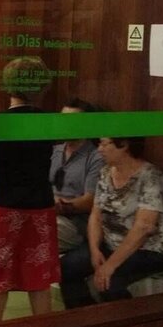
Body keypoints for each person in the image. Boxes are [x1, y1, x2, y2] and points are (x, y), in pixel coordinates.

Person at [60, 137, 163, 308]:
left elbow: (144, 227)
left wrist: (110, 265)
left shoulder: (151, 176)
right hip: (110, 244)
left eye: (104, 144)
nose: (100, 149)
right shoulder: (105, 172)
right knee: (67, 266)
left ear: (124, 145)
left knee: (110, 281)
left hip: (148, 250)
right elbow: (96, 216)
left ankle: (123, 322)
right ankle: (84, 316)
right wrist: (95, 250)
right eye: (99, 144)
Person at [0, 56, 58, 323]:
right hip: (41, 205)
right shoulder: (50, 123)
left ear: (8, 85)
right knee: (39, 278)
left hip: (4, 206)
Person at [49, 99, 106, 253]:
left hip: (75, 223)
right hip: (46, 213)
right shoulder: (53, 151)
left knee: (38, 234)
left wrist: (57, 206)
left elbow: (90, 201)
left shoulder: (96, 157)